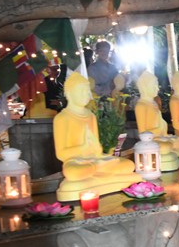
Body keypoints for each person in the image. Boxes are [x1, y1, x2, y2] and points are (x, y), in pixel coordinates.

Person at [53, 72, 141, 201]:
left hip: (95, 160)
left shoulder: (91, 116)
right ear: (69, 93)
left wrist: (98, 152)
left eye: (87, 91)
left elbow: (97, 148)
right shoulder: (62, 118)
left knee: (128, 165)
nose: (86, 95)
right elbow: (61, 154)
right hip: (77, 162)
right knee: (73, 172)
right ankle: (98, 171)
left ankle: (97, 172)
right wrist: (83, 148)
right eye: (82, 91)